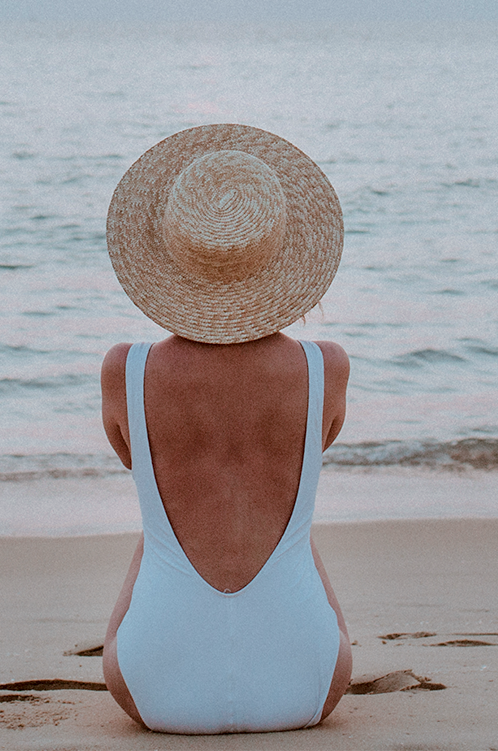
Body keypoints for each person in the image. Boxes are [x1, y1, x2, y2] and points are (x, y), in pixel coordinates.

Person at [98, 123, 353, 735]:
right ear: (283, 252)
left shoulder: (125, 370)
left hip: (157, 686)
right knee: (294, 522)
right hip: (306, 681)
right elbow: (309, 453)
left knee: (157, 522)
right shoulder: (326, 368)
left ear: (169, 254)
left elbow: (141, 467)